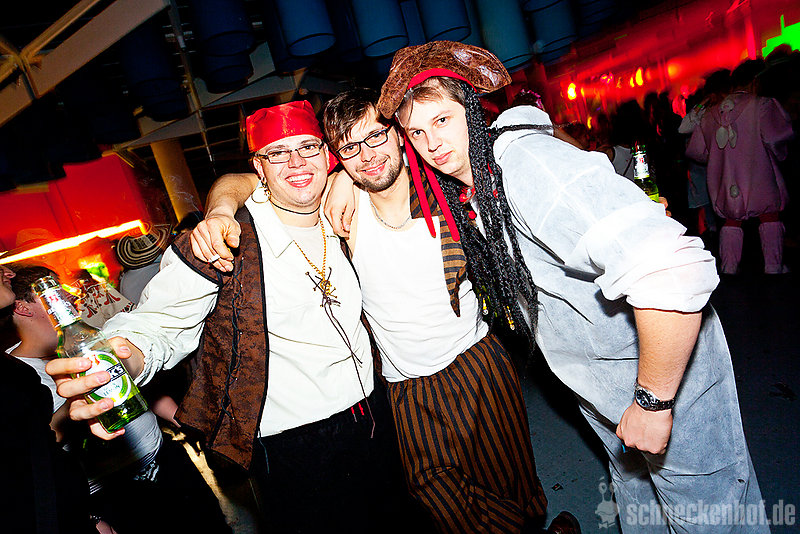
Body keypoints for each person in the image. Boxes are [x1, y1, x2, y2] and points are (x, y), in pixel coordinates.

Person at [316, 42, 762, 533]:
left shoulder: (524, 164)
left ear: (469, 109)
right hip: (604, 387)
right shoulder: (470, 185)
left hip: (665, 378)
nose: (432, 142)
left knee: (712, 519)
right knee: (641, 509)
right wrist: (340, 176)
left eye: (442, 120)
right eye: (418, 131)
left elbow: (671, 269)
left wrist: (653, 402)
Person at [189, 88, 578, 533]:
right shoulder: (340, 207)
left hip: (476, 362)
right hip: (406, 386)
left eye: (375, 136)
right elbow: (244, 181)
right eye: (350, 147)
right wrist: (220, 209)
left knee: (511, 481)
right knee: (434, 495)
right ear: (336, 158)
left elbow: (514, 138)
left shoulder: (443, 186)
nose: (367, 154)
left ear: (398, 135)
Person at [46, 101, 413, 534]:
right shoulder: (226, 236)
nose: (297, 162)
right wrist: (123, 356)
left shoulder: (341, 209)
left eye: (308, 147)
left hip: (376, 416)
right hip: (297, 446)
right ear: (259, 167)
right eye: (278, 153)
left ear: (327, 155)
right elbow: (160, 321)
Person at [686, 59, 794, 275]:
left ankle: (729, 266)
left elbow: (696, 150)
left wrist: (717, 158)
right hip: (759, 173)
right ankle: (773, 266)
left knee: (731, 219)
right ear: (755, 81)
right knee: (769, 215)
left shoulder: (710, 113)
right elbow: (776, 137)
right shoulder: (762, 105)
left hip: (725, 177)